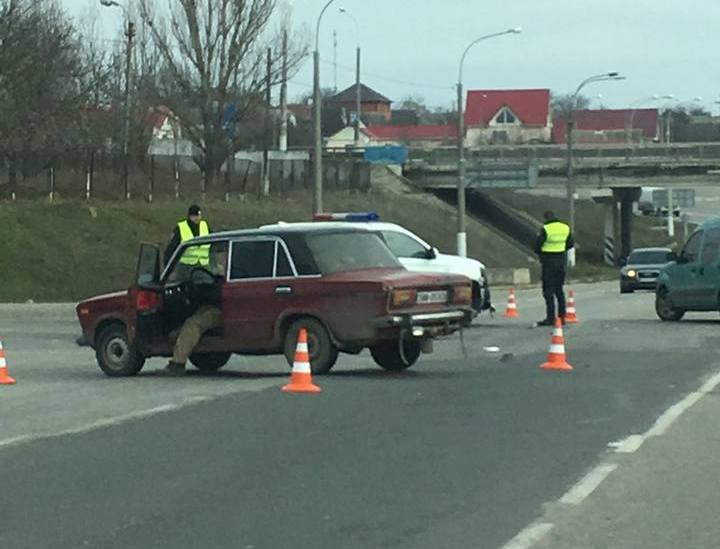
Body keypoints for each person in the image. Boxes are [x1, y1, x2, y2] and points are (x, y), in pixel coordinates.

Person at [159, 242, 227, 376]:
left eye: (222, 253)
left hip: (223, 310)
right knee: (190, 321)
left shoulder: (229, 272)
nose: (222, 256)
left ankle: (177, 363)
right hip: (217, 307)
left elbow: (219, 293)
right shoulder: (224, 271)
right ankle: (179, 339)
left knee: (193, 324)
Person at [534, 210, 575, 326]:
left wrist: (543, 254)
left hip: (548, 263)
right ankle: (562, 318)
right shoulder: (565, 228)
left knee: (548, 291)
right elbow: (571, 243)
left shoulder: (546, 229)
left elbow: (537, 246)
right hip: (561, 261)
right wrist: (560, 249)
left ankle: (550, 318)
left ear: (546, 218)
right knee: (559, 291)